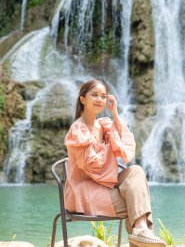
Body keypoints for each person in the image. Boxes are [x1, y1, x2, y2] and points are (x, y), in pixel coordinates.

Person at [64, 78, 165, 247]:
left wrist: (115, 113)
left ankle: (140, 231)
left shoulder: (103, 126)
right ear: (83, 99)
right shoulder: (78, 129)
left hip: (105, 183)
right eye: (94, 95)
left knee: (136, 171)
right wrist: (109, 153)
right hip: (83, 190)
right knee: (136, 201)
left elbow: (126, 150)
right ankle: (140, 234)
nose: (99, 99)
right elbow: (92, 168)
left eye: (103, 96)